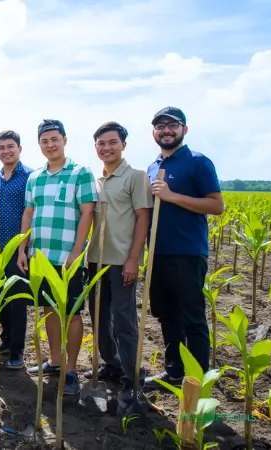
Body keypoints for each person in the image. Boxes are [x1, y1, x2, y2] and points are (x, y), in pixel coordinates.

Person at [144, 107, 224, 389]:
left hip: (187, 254)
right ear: (154, 132)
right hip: (157, 254)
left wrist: (171, 196)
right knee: (167, 316)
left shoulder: (198, 162)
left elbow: (217, 205)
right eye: (160, 126)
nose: (166, 130)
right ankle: (174, 372)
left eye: (172, 125)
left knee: (192, 319)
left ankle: (197, 380)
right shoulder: (153, 166)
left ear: (184, 129)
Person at [17, 119, 97, 396]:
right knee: (49, 310)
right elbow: (29, 213)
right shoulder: (35, 177)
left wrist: (77, 252)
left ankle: (72, 370)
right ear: (39, 145)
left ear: (64, 139)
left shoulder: (80, 172)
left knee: (71, 313)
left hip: (68, 257)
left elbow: (88, 212)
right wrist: (22, 248)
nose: (50, 145)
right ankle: (54, 361)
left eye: (54, 139)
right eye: (44, 141)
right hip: (40, 256)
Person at [85, 121, 151, 393]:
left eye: (112, 142)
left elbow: (142, 217)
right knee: (99, 316)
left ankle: (132, 373)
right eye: (101, 143)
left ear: (123, 144)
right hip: (96, 260)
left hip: (122, 260)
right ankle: (111, 364)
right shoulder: (96, 182)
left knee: (124, 319)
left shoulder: (135, 177)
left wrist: (133, 259)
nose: (106, 148)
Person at [0, 130, 33, 370]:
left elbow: (31, 211)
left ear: (19, 148)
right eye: (1, 147)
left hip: (19, 250)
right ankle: (6, 339)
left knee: (17, 301)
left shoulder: (29, 176)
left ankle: (17, 350)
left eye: (10, 146)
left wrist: (23, 249)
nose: (6, 151)